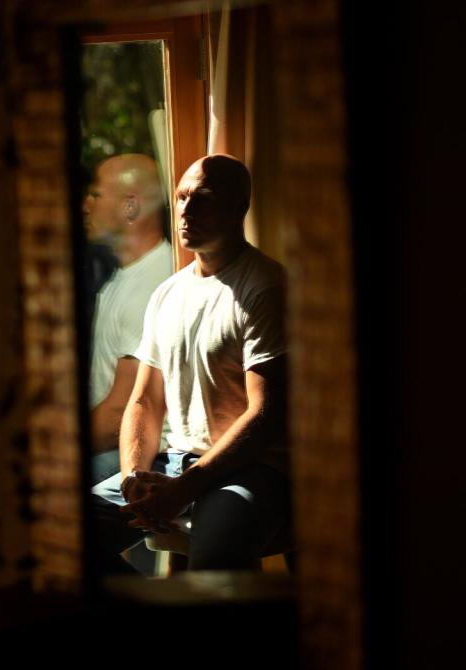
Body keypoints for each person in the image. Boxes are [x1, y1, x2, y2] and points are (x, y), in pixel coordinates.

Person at [92, 154, 291, 573]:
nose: (186, 209)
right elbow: (144, 400)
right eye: (181, 198)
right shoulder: (169, 293)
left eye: (202, 198)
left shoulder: (264, 286)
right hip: (176, 462)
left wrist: (185, 487)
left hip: (249, 471)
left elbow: (266, 414)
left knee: (217, 562)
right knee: (65, 535)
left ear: (238, 207)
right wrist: (132, 478)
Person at [83, 154, 173, 484]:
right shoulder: (126, 276)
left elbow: (118, 416)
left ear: (130, 206)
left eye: (96, 194)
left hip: (144, 457)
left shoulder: (150, 286)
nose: (85, 205)